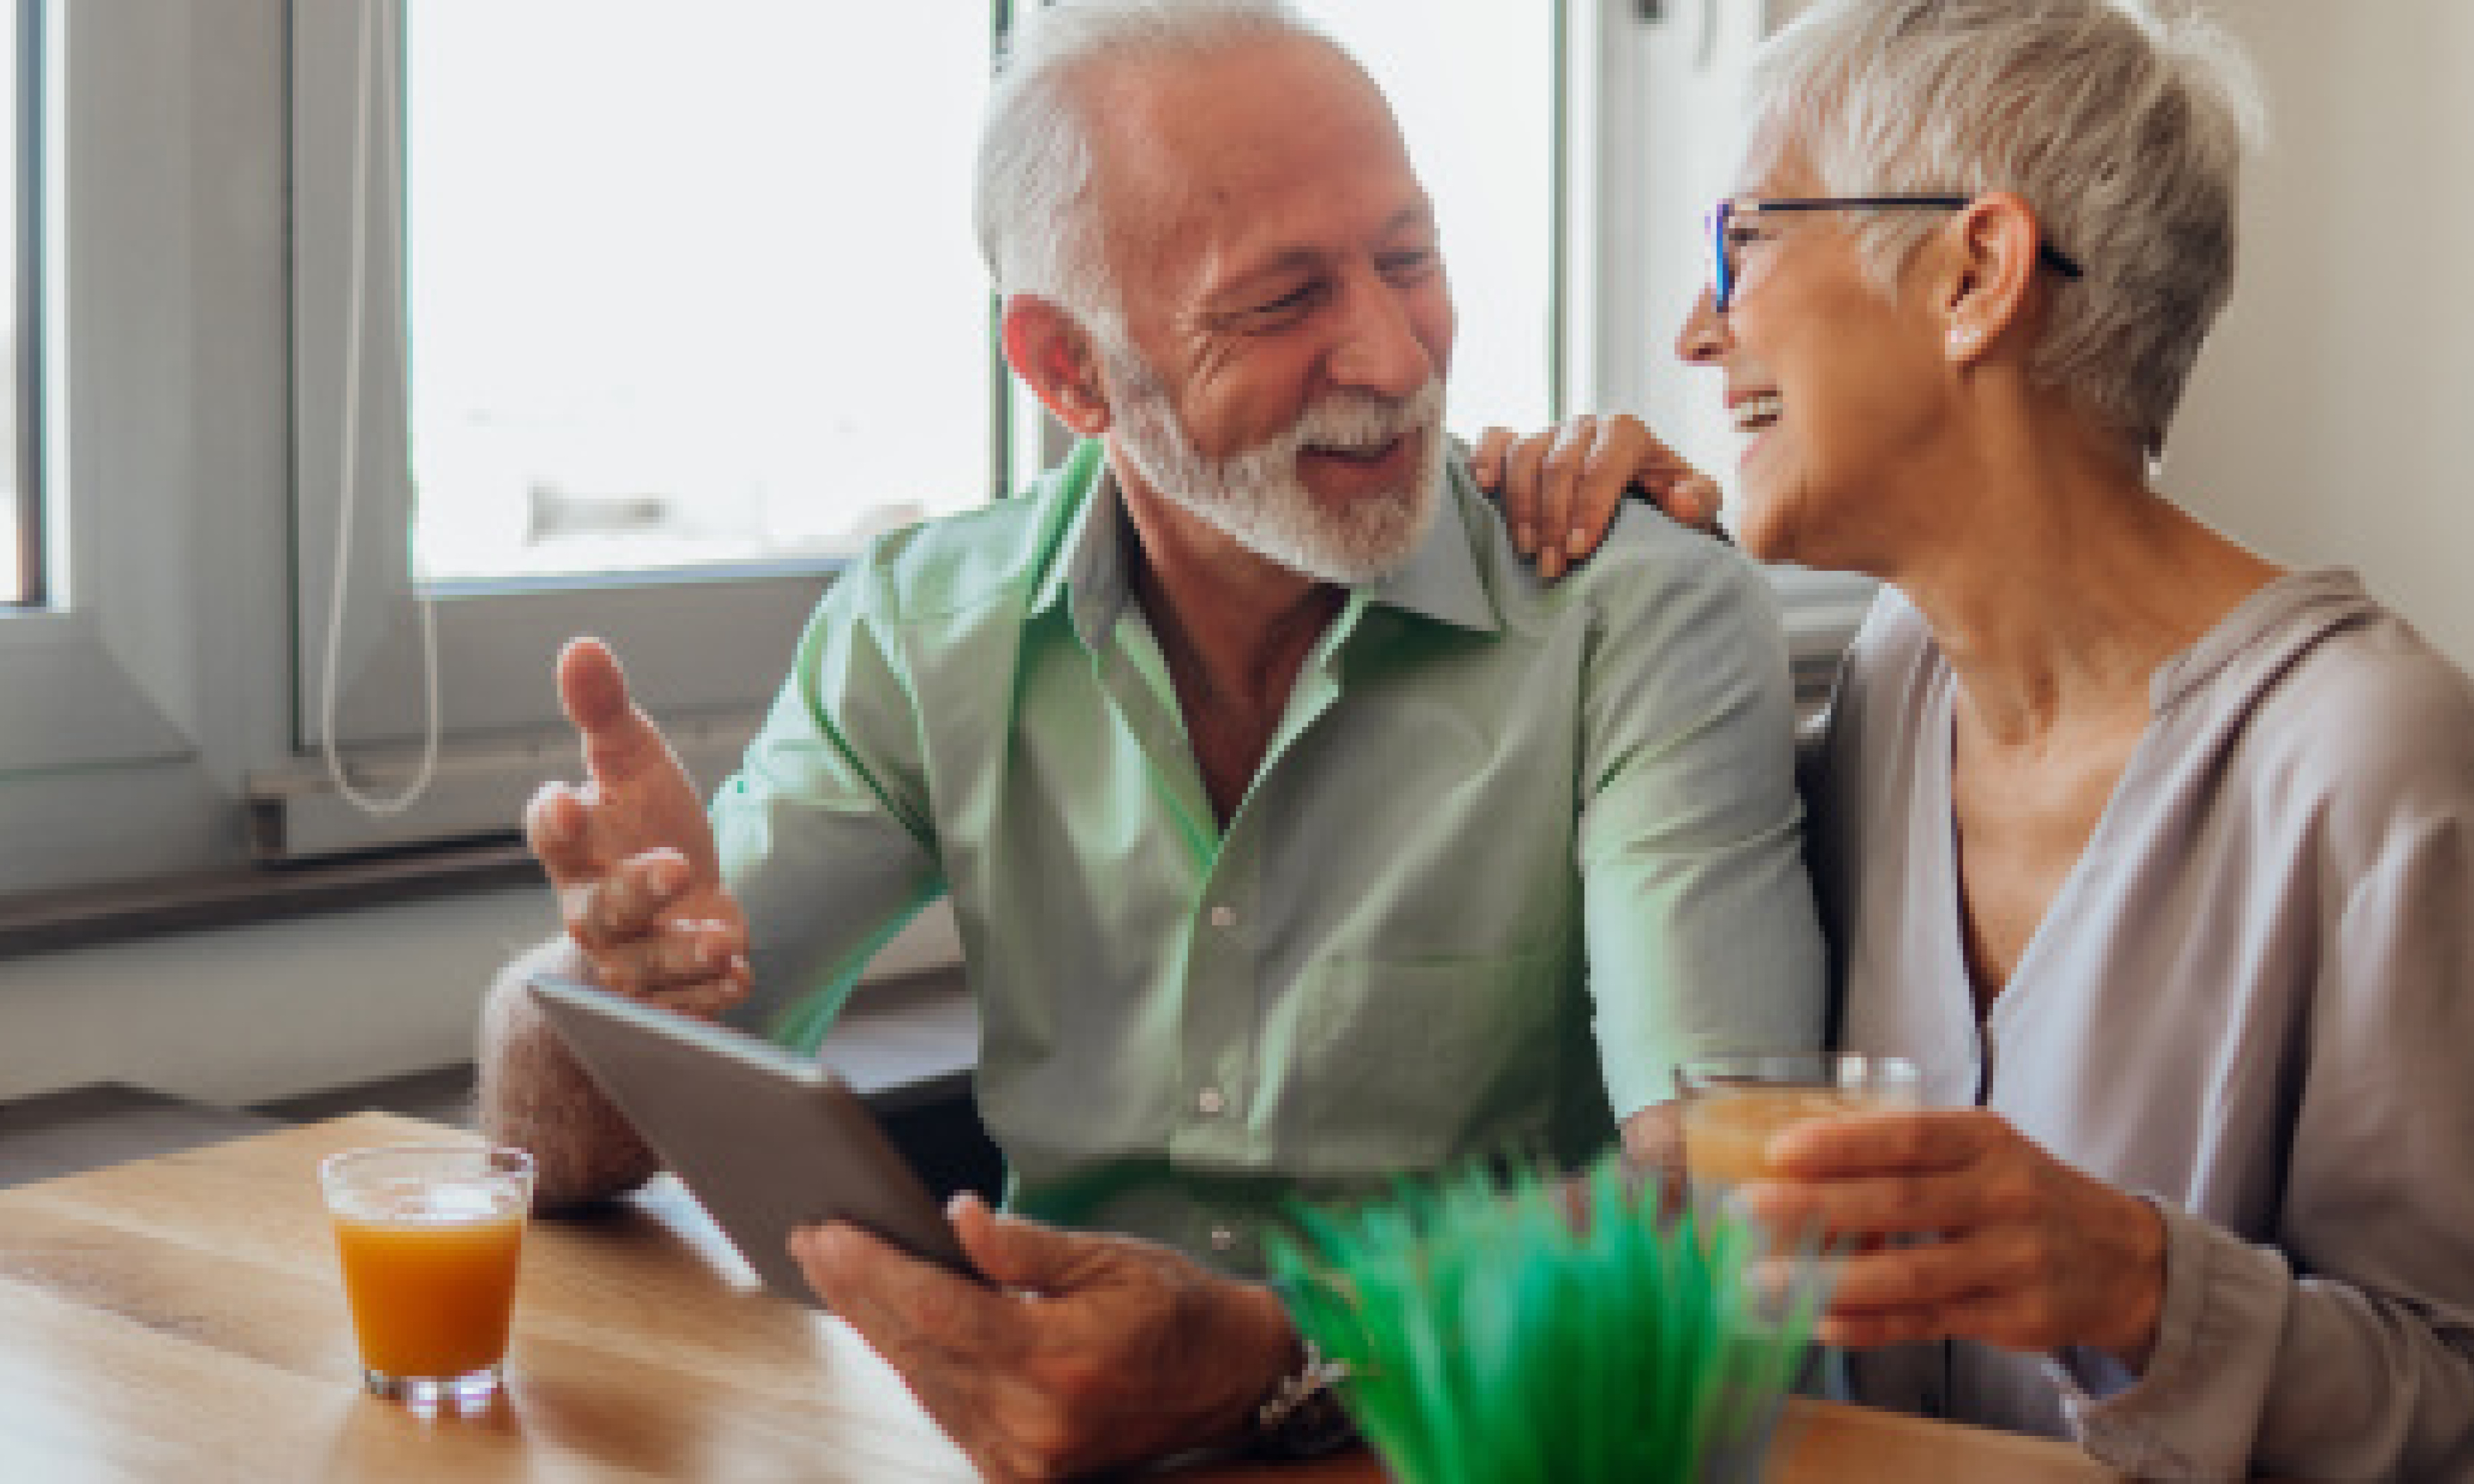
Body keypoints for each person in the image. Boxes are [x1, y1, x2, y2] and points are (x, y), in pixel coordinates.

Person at [474, 1, 1823, 1475]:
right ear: (1069, 372)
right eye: (1282, 300)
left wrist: (1278, 1358)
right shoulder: (926, 630)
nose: (1388, 347)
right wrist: (610, 988)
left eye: (1410, 257)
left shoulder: (1635, 614)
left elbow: (1726, 1194)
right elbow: (564, 1149)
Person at [1480, 0, 2474, 1478]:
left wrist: (2139, 1283)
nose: (1698, 327)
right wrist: (1621, 567)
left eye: (1740, 241)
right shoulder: (1892, 690)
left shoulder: (2377, 766)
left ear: (1975, 273)